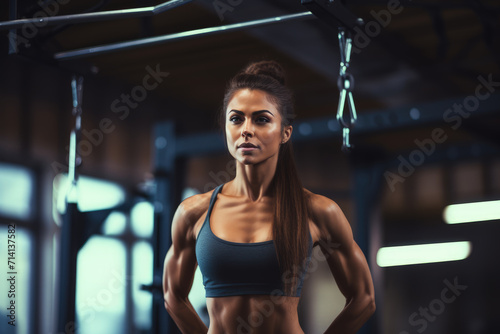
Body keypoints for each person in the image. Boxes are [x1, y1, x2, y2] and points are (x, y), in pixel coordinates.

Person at [162, 60, 375, 334]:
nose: (246, 129)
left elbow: (364, 299)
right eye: (236, 119)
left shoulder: (318, 211)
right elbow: (172, 296)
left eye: (261, 119)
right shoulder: (192, 212)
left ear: (285, 132)